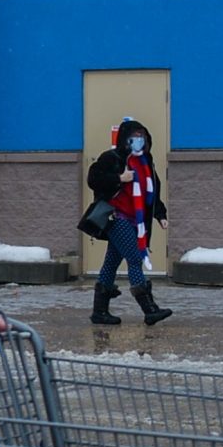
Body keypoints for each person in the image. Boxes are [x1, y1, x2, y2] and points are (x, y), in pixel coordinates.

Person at [83, 116, 172, 326]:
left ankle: (100, 312)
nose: (138, 140)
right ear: (124, 138)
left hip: (136, 220)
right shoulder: (112, 158)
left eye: (141, 136)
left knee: (111, 262)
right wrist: (119, 179)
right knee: (134, 258)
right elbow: (93, 179)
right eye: (134, 136)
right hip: (116, 217)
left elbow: (153, 190)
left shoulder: (145, 161)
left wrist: (160, 214)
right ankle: (150, 310)